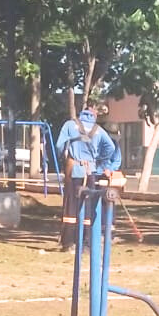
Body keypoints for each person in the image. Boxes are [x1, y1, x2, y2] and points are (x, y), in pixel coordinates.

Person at [55, 106, 122, 251]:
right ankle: (86, 243)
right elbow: (110, 147)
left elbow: (59, 145)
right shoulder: (98, 129)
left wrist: (65, 157)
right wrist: (100, 160)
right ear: (94, 117)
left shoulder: (70, 125)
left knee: (71, 206)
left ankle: (68, 243)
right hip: (90, 171)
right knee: (89, 208)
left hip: (74, 170)